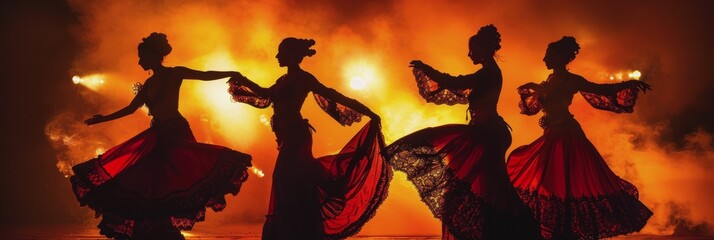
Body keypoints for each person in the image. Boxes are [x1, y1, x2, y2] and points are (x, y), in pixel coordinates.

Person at [69, 32, 252, 240]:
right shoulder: (147, 85)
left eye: (142, 57)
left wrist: (231, 72)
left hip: (175, 132)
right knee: (151, 178)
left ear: (155, 56)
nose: (139, 62)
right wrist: (103, 119)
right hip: (158, 134)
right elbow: (130, 109)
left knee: (172, 177)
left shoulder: (174, 74)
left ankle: (162, 226)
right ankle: (156, 225)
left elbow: (205, 74)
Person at [387, 25, 540, 240]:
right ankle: (512, 232)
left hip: (489, 134)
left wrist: (426, 69)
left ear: (484, 49)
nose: (469, 54)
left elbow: (457, 82)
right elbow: (459, 85)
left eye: (472, 49)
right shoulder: (489, 71)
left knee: (490, 189)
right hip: (488, 132)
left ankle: (514, 232)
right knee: (491, 189)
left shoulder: (489, 72)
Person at [228, 37, 391, 239]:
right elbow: (264, 94)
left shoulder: (304, 79)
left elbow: (332, 94)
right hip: (288, 138)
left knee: (284, 179)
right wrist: (241, 79)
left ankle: (294, 232)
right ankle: (299, 232)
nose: (277, 56)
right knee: (294, 182)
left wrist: (367, 111)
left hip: (298, 138)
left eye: (281, 52)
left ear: (292, 55)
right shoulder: (282, 81)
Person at [507, 36, 653, 239]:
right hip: (552, 133)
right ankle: (558, 228)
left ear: (559, 57)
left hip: (566, 135)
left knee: (562, 181)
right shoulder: (549, 80)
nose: (544, 59)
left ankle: (564, 229)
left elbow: (601, 89)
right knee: (549, 180)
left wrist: (628, 84)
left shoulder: (572, 80)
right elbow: (538, 105)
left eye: (548, 55)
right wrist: (535, 88)